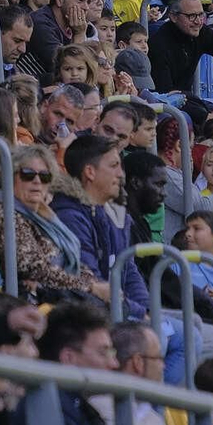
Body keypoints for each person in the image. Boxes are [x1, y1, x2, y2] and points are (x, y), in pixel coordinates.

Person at [0, 144, 110, 303]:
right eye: (28, 174)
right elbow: (34, 269)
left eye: (44, 176)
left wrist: (94, 284)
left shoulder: (45, 217)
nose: (37, 181)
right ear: (10, 177)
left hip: (59, 297)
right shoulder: (6, 215)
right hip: (30, 307)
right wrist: (90, 288)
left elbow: (75, 263)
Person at [52, 134, 148, 318]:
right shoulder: (70, 217)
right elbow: (94, 282)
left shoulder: (115, 211)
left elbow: (129, 270)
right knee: (185, 335)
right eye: (113, 166)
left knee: (192, 324)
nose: (121, 174)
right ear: (90, 172)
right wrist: (140, 313)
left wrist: (147, 309)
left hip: (125, 308)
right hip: (95, 316)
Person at [92, 322, 197, 425]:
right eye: (159, 358)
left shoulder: (150, 416)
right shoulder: (100, 409)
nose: (164, 366)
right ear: (138, 363)